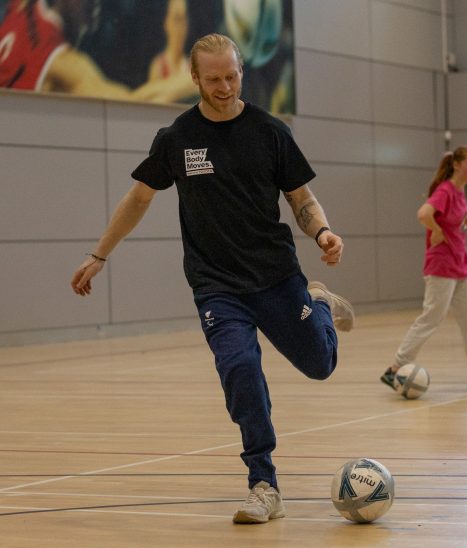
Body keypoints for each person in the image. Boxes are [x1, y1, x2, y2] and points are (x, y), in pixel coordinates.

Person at [70, 33, 354, 524]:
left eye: (232, 76)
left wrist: (323, 232)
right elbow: (139, 198)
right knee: (240, 369)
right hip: (216, 285)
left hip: (276, 277)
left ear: (241, 72)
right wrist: (99, 255)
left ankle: (321, 303)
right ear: (195, 78)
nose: (225, 87)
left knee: (319, 365)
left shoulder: (270, 131)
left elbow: (301, 199)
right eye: (214, 79)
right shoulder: (177, 138)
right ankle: (264, 483)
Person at [380, 146, 467, 391]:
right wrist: (437, 230)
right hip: (442, 265)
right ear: (457, 165)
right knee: (431, 318)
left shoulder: (461, 192)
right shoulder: (446, 190)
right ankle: (395, 368)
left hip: (460, 266)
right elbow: (424, 214)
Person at [0, 0, 191, 102]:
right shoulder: (63, 65)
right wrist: (195, 80)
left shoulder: (21, 4)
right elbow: (132, 106)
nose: (97, 3)